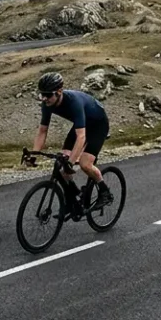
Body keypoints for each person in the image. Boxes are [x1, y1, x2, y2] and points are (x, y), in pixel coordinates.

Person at [28, 71, 113, 218]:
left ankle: (105, 192)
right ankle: (72, 197)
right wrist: (34, 154)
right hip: (82, 125)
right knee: (61, 164)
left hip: (98, 124)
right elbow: (42, 131)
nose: (44, 98)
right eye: (42, 94)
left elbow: (81, 137)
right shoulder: (47, 104)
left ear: (59, 91)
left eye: (48, 95)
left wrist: (72, 162)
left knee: (85, 164)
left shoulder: (74, 102)